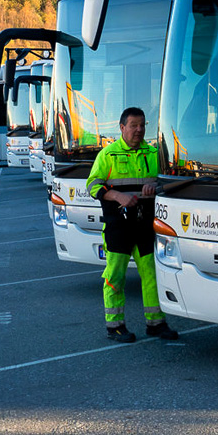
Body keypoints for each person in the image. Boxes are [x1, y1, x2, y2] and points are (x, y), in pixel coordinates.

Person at [86, 107, 178, 343]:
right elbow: (93, 185)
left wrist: (155, 187)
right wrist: (118, 196)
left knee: (151, 276)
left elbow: (165, 183)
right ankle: (115, 327)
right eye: (134, 125)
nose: (139, 130)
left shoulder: (153, 154)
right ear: (122, 127)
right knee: (115, 277)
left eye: (142, 125)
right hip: (118, 227)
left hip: (145, 226)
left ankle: (156, 324)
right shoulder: (108, 154)